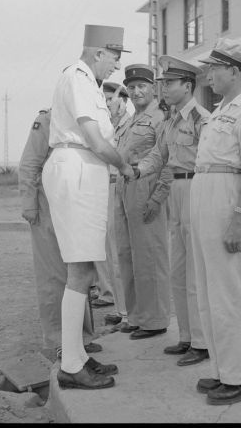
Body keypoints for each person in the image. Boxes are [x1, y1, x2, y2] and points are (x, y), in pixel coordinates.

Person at [41, 24, 134, 390]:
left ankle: (76, 354)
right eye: (114, 57)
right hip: (77, 169)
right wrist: (124, 165)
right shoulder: (78, 77)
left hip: (83, 171)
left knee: (84, 271)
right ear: (98, 53)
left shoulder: (87, 82)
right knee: (80, 271)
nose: (115, 66)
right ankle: (71, 364)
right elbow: (94, 138)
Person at [188, 38, 241, 406]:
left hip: (227, 199)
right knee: (208, 290)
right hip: (205, 196)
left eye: (215, 68)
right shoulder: (218, 111)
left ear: (234, 71)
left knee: (231, 292)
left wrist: (238, 218)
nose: (209, 74)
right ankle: (223, 369)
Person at [131, 55, 211, 367]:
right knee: (178, 269)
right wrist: (134, 170)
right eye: (162, 84)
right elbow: (157, 156)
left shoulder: (202, 119)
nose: (164, 88)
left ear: (188, 85)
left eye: (170, 83)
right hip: (175, 191)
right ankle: (187, 337)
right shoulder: (169, 122)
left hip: (195, 188)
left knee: (194, 271)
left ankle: (203, 342)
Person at [18, 108, 101, 358]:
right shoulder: (47, 120)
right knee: (53, 275)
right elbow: (29, 165)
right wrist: (30, 205)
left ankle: (81, 337)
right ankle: (57, 340)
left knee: (76, 272)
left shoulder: (83, 119)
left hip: (74, 202)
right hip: (47, 205)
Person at [114, 64, 172, 339]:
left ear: (153, 89)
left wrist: (157, 197)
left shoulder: (160, 118)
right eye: (132, 87)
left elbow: (168, 159)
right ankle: (136, 315)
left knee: (149, 254)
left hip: (146, 185)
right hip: (125, 186)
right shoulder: (129, 120)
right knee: (128, 254)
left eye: (142, 87)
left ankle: (155, 319)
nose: (136, 92)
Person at [95, 81, 131, 330]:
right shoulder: (109, 126)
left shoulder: (130, 124)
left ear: (123, 100)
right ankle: (120, 308)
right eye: (104, 100)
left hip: (121, 187)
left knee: (121, 251)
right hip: (105, 188)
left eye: (111, 99)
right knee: (110, 252)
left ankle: (129, 312)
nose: (107, 104)